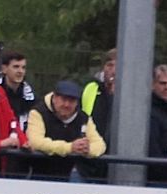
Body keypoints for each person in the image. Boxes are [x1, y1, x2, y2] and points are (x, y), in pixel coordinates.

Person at [27, 80, 106, 181]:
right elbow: (35, 142)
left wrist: (87, 150)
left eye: (72, 101)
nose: (67, 105)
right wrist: (70, 148)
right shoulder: (38, 112)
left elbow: (100, 144)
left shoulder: (83, 118)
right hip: (39, 174)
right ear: (55, 98)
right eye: (63, 99)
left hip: (69, 176)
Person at [78, 48, 116, 180]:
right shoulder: (91, 88)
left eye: (118, 65)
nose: (113, 70)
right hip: (90, 156)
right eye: (110, 65)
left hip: (115, 159)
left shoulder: (129, 93)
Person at [0, 50, 34, 132]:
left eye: (23, 67)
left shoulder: (30, 96)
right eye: (16, 67)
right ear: (4, 69)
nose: (20, 71)